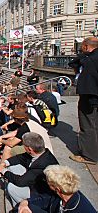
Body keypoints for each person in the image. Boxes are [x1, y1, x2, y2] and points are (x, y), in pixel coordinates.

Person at [0, 132, 59, 207]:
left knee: (11, 188)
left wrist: (3, 171)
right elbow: (20, 158)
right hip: (35, 181)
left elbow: (20, 182)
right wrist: (5, 163)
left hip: (41, 193)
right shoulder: (40, 153)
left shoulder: (42, 164)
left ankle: (21, 208)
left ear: (29, 149)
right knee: (12, 166)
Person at [16, 165, 97, 212]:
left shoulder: (81, 208)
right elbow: (44, 200)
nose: (46, 182)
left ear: (57, 189)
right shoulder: (62, 195)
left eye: (48, 182)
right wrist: (25, 202)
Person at [68, 37, 98, 165]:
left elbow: (75, 62)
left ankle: (89, 156)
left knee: (88, 125)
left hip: (90, 97)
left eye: (82, 47)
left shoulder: (89, 60)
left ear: (86, 46)